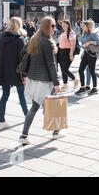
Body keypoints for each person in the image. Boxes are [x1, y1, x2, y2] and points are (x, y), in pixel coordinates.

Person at [18, 17, 61, 145]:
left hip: (33, 78)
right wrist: (57, 82)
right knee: (46, 106)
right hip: (44, 80)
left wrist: (25, 74)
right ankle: (55, 131)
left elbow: (23, 55)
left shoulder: (34, 39)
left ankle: (25, 135)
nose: (54, 28)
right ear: (47, 27)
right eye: (53, 26)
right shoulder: (47, 42)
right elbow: (51, 64)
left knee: (37, 106)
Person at [0, 17, 28, 130]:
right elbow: (23, 59)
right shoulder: (20, 39)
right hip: (16, 72)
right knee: (21, 95)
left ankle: (1, 121)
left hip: (3, 70)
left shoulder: (2, 38)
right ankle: (27, 116)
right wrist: (25, 75)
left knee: (4, 95)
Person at [75, 21, 99, 96]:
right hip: (86, 53)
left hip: (92, 54)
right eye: (82, 26)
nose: (82, 27)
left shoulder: (93, 33)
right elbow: (83, 44)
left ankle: (95, 88)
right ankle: (83, 87)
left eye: (83, 26)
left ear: (87, 26)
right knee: (80, 70)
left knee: (92, 71)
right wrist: (83, 51)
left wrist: (90, 42)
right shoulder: (84, 33)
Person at [57, 20, 80, 92]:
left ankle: (75, 79)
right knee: (62, 69)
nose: (63, 26)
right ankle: (65, 85)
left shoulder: (71, 33)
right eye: (62, 25)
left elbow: (73, 45)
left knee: (65, 68)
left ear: (68, 25)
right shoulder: (63, 33)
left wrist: (71, 54)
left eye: (64, 25)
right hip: (61, 52)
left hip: (68, 52)